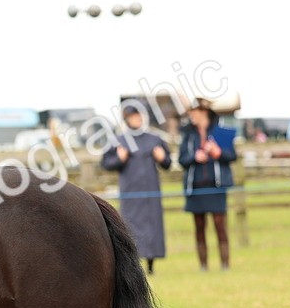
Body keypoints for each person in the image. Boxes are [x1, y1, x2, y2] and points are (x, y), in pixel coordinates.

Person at [101, 103, 171, 274]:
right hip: (131, 193)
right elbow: (106, 163)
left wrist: (162, 158)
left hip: (151, 193)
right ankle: (134, 265)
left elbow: (167, 163)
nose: (137, 119)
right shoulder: (119, 140)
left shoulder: (154, 139)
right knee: (131, 227)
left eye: (139, 116)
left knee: (152, 228)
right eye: (132, 116)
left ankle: (151, 265)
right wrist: (119, 159)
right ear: (126, 119)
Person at [178, 97, 236, 270]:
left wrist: (218, 153)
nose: (191, 116)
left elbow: (232, 155)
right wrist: (194, 157)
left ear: (203, 112)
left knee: (220, 226)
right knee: (199, 227)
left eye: (193, 112)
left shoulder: (220, 132)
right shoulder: (188, 136)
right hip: (196, 187)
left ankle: (225, 264)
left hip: (216, 186)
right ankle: (203, 265)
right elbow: (182, 159)